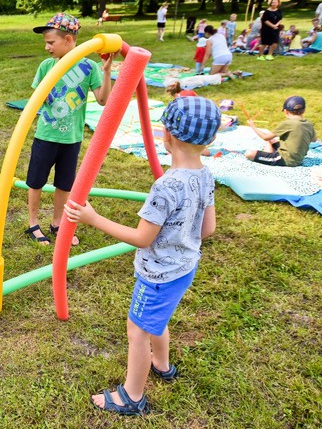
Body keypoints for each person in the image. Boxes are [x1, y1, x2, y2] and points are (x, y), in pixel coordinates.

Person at [65, 96, 220, 416]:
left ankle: (132, 396)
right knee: (156, 320)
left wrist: (93, 219)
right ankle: (162, 365)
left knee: (137, 331)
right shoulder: (206, 176)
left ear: (167, 135)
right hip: (184, 268)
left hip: (158, 275)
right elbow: (208, 229)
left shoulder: (166, 187)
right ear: (211, 140)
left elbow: (140, 238)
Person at [24, 13, 112, 246]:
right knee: (36, 181)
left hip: (72, 138)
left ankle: (57, 223)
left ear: (69, 40)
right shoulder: (46, 67)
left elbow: (103, 100)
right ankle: (33, 223)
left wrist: (106, 71)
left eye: (51, 42)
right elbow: (36, 99)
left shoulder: (89, 67)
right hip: (46, 135)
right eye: (46, 42)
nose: (46, 47)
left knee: (64, 184)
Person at [244, 96, 316, 167]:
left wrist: (252, 126)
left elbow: (265, 137)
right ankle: (269, 153)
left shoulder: (287, 123)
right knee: (271, 139)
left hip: (286, 159)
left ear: (285, 111)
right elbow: (314, 139)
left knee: (249, 153)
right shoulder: (308, 124)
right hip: (299, 158)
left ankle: (268, 155)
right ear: (304, 110)